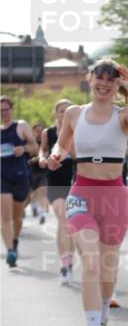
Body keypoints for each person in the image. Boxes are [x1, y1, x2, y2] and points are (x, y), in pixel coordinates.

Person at [47, 60, 128, 326]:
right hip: (81, 192)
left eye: (111, 79)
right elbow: (62, 146)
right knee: (91, 261)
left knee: (107, 268)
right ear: (90, 79)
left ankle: (103, 313)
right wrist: (55, 156)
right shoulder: (74, 113)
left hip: (114, 197)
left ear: (116, 84)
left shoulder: (124, 114)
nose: (104, 83)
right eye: (99, 77)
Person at [39, 99, 76, 284]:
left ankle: (69, 261)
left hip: (74, 181)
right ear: (56, 113)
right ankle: (64, 265)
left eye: (68, 110)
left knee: (71, 224)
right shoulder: (49, 132)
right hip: (54, 181)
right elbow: (42, 150)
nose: (64, 113)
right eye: (61, 110)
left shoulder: (78, 131)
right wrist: (42, 158)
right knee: (63, 219)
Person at [1, 96, 38, 267]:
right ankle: (9, 251)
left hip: (21, 176)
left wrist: (23, 148)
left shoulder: (21, 126)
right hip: (2, 177)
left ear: (11, 109)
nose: (4, 113)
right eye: (1, 110)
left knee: (17, 217)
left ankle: (15, 241)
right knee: (5, 217)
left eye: (6, 109)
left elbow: (35, 148)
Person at [28, 122, 48, 223]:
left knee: (42, 191)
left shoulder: (47, 144)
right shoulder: (30, 144)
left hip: (44, 172)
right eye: (37, 131)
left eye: (41, 131)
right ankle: (34, 206)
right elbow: (26, 160)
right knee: (32, 192)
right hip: (31, 172)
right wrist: (37, 159)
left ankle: (42, 212)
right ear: (33, 132)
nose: (39, 133)